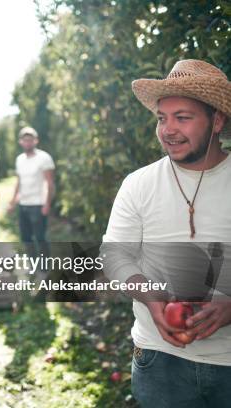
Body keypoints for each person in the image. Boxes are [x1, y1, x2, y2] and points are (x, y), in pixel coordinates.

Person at [101, 59, 231, 407]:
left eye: (183, 117)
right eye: (162, 118)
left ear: (217, 120)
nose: (168, 129)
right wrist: (152, 300)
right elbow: (115, 255)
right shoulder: (139, 184)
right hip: (159, 360)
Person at [7, 127, 55, 263]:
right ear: (20, 142)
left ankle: (44, 266)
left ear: (36, 141)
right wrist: (12, 202)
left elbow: (49, 183)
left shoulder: (44, 158)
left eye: (30, 140)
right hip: (23, 205)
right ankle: (32, 263)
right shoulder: (19, 159)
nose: (28, 143)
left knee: (40, 237)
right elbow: (19, 182)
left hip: (38, 205)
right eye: (25, 140)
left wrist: (47, 203)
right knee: (25, 238)